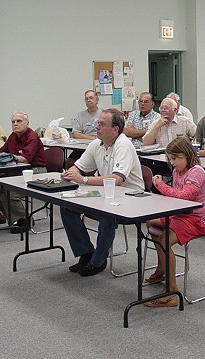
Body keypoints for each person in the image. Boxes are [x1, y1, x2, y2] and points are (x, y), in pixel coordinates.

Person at [60, 108, 144, 276]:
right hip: (106, 192)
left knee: (107, 214)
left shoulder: (123, 144)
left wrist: (83, 180)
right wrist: (70, 173)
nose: (97, 127)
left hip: (132, 196)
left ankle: (98, 261)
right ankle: (86, 253)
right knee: (67, 207)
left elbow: (117, 179)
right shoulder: (96, 143)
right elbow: (80, 166)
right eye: (97, 123)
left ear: (115, 129)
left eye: (102, 124)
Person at [144, 137, 205, 307]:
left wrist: (159, 185)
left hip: (198, 219)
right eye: (170, 159)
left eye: (175, 158)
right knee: (150, 222)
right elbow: (177, 199)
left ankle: (171, 289)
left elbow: (184, 196)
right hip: (182, 215)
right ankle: (162, 268)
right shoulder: (177, 171)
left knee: (164, 241)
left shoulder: (196, 171)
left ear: (187, 155)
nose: (172, 163)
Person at [0, 111, 46, 232]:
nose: (15, 124)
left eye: (19, 121)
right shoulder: (13, 136)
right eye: (13, 122)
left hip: (35, 172)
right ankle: (19, 218)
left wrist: (6, 158)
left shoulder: (32, 137)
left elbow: (24, 159)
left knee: (10, 194)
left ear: (27, 123)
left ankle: (24, 219)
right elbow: (0, 151)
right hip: (17, 171)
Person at [66, 90, 102, 169]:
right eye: (86, 99)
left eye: (91, 98)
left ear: (97, 100)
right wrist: (92, 138)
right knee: (69, 162)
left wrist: (95, 139)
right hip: (82, 145)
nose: (89, 100)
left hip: (98, 146)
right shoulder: (80, 115)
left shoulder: (103, 115)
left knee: (89, 167)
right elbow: (75, 134)